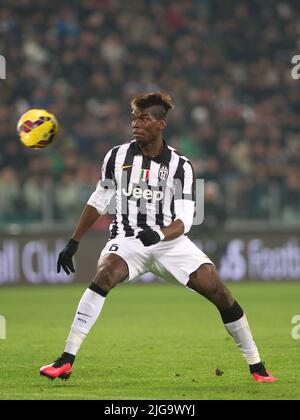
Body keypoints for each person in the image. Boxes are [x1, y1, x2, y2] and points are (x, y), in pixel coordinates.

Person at [40, 92, 276, 383]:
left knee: (220, 292)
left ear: (161, 124)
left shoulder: (181, 167)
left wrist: (160, 234)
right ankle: (66, 359)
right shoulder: (117, 156)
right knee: (104, 275)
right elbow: (98, 200)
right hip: (128, 240)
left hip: (170, 243)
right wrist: (73, 241)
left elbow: (185, 220)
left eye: (143, 118)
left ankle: (256, 365)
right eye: (133, 118)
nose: (135, 124)